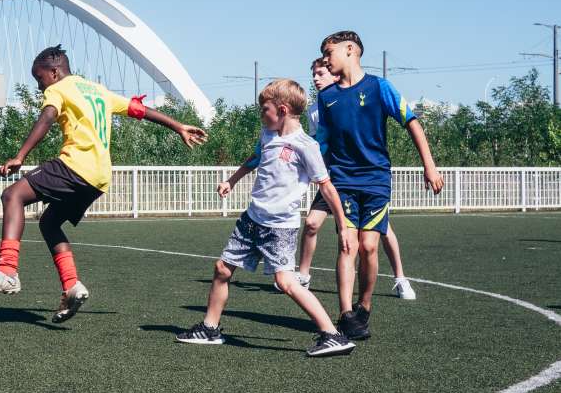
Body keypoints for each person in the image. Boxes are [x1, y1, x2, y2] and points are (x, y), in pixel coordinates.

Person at [0, 45, 207, 322]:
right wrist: (177, 125)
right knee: (49, 223)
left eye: (40, 78)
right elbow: (139, 109)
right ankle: (72, 286)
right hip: (99, 177)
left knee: (13, 195)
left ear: (54, 71)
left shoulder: (58, 89)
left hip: (75, 166)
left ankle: (7, 272)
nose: (39, 86)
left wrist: (21, 156)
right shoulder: (98, 90)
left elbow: (47, 117)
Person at [176, 79, 356, 357]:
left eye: (264, 109)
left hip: (279, 228)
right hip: (251, 219)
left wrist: (342, 226)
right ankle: (210, 329)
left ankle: (332, 335)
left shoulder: (305, 145)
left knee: (285, 283)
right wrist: (231, 181)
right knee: (222, 269)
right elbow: (255, 159)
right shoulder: (267, 134)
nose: (261, 114)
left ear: (282, 110)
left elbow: (327, 187)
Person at [317, 31, 443, 341]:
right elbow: (322, 143)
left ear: (350, 50)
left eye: (328, 52)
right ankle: (346, 314)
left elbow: (412, 122)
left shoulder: (379, 87)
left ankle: (364, 306)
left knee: (370, 246)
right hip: (342, 181)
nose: (324, 59)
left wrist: (429, 165)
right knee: (348, 244)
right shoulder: (326, 97)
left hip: (375, 180)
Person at [294, 58, 417, 300]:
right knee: (311, 224)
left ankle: (400, 278)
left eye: (321, 73)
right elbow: (319, 144)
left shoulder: (364, 91)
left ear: (335, 74)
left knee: (381, 233)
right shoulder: (316, 107)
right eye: (314, 75)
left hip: (365, 178)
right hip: (334, 179)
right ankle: (304, 276)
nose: (316, 79)